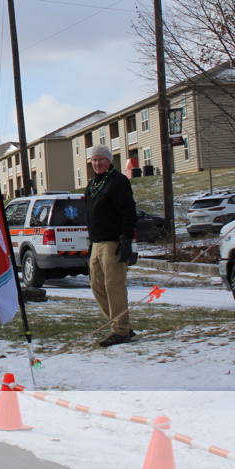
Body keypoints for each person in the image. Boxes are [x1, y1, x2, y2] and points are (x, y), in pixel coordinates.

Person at [85, 144, 138, 347]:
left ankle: (120, 330)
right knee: (97, 286)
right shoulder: (93, 184)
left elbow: (128, 212)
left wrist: (126, 239)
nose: (97, 163)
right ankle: (120, 324)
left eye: (101, 159)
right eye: (94, 160)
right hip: (96, 242)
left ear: (109, 161)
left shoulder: (118, 181)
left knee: (113, 286)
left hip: (113, 242)